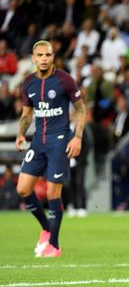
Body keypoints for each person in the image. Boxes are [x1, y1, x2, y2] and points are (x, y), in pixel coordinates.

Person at [15, 40, 86, 258]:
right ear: (33, 58)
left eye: (48, 55)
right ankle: (46, 229)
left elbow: (81, 109)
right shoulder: (28, 83)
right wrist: (20, 133)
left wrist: (77, 137)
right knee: (23, 189)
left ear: (53, 57)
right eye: (40, 55)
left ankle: (54, 246)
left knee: (53, 192)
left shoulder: (64, 80)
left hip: (60, 141)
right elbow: (27, 114)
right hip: (38, 142)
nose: (44, 59)